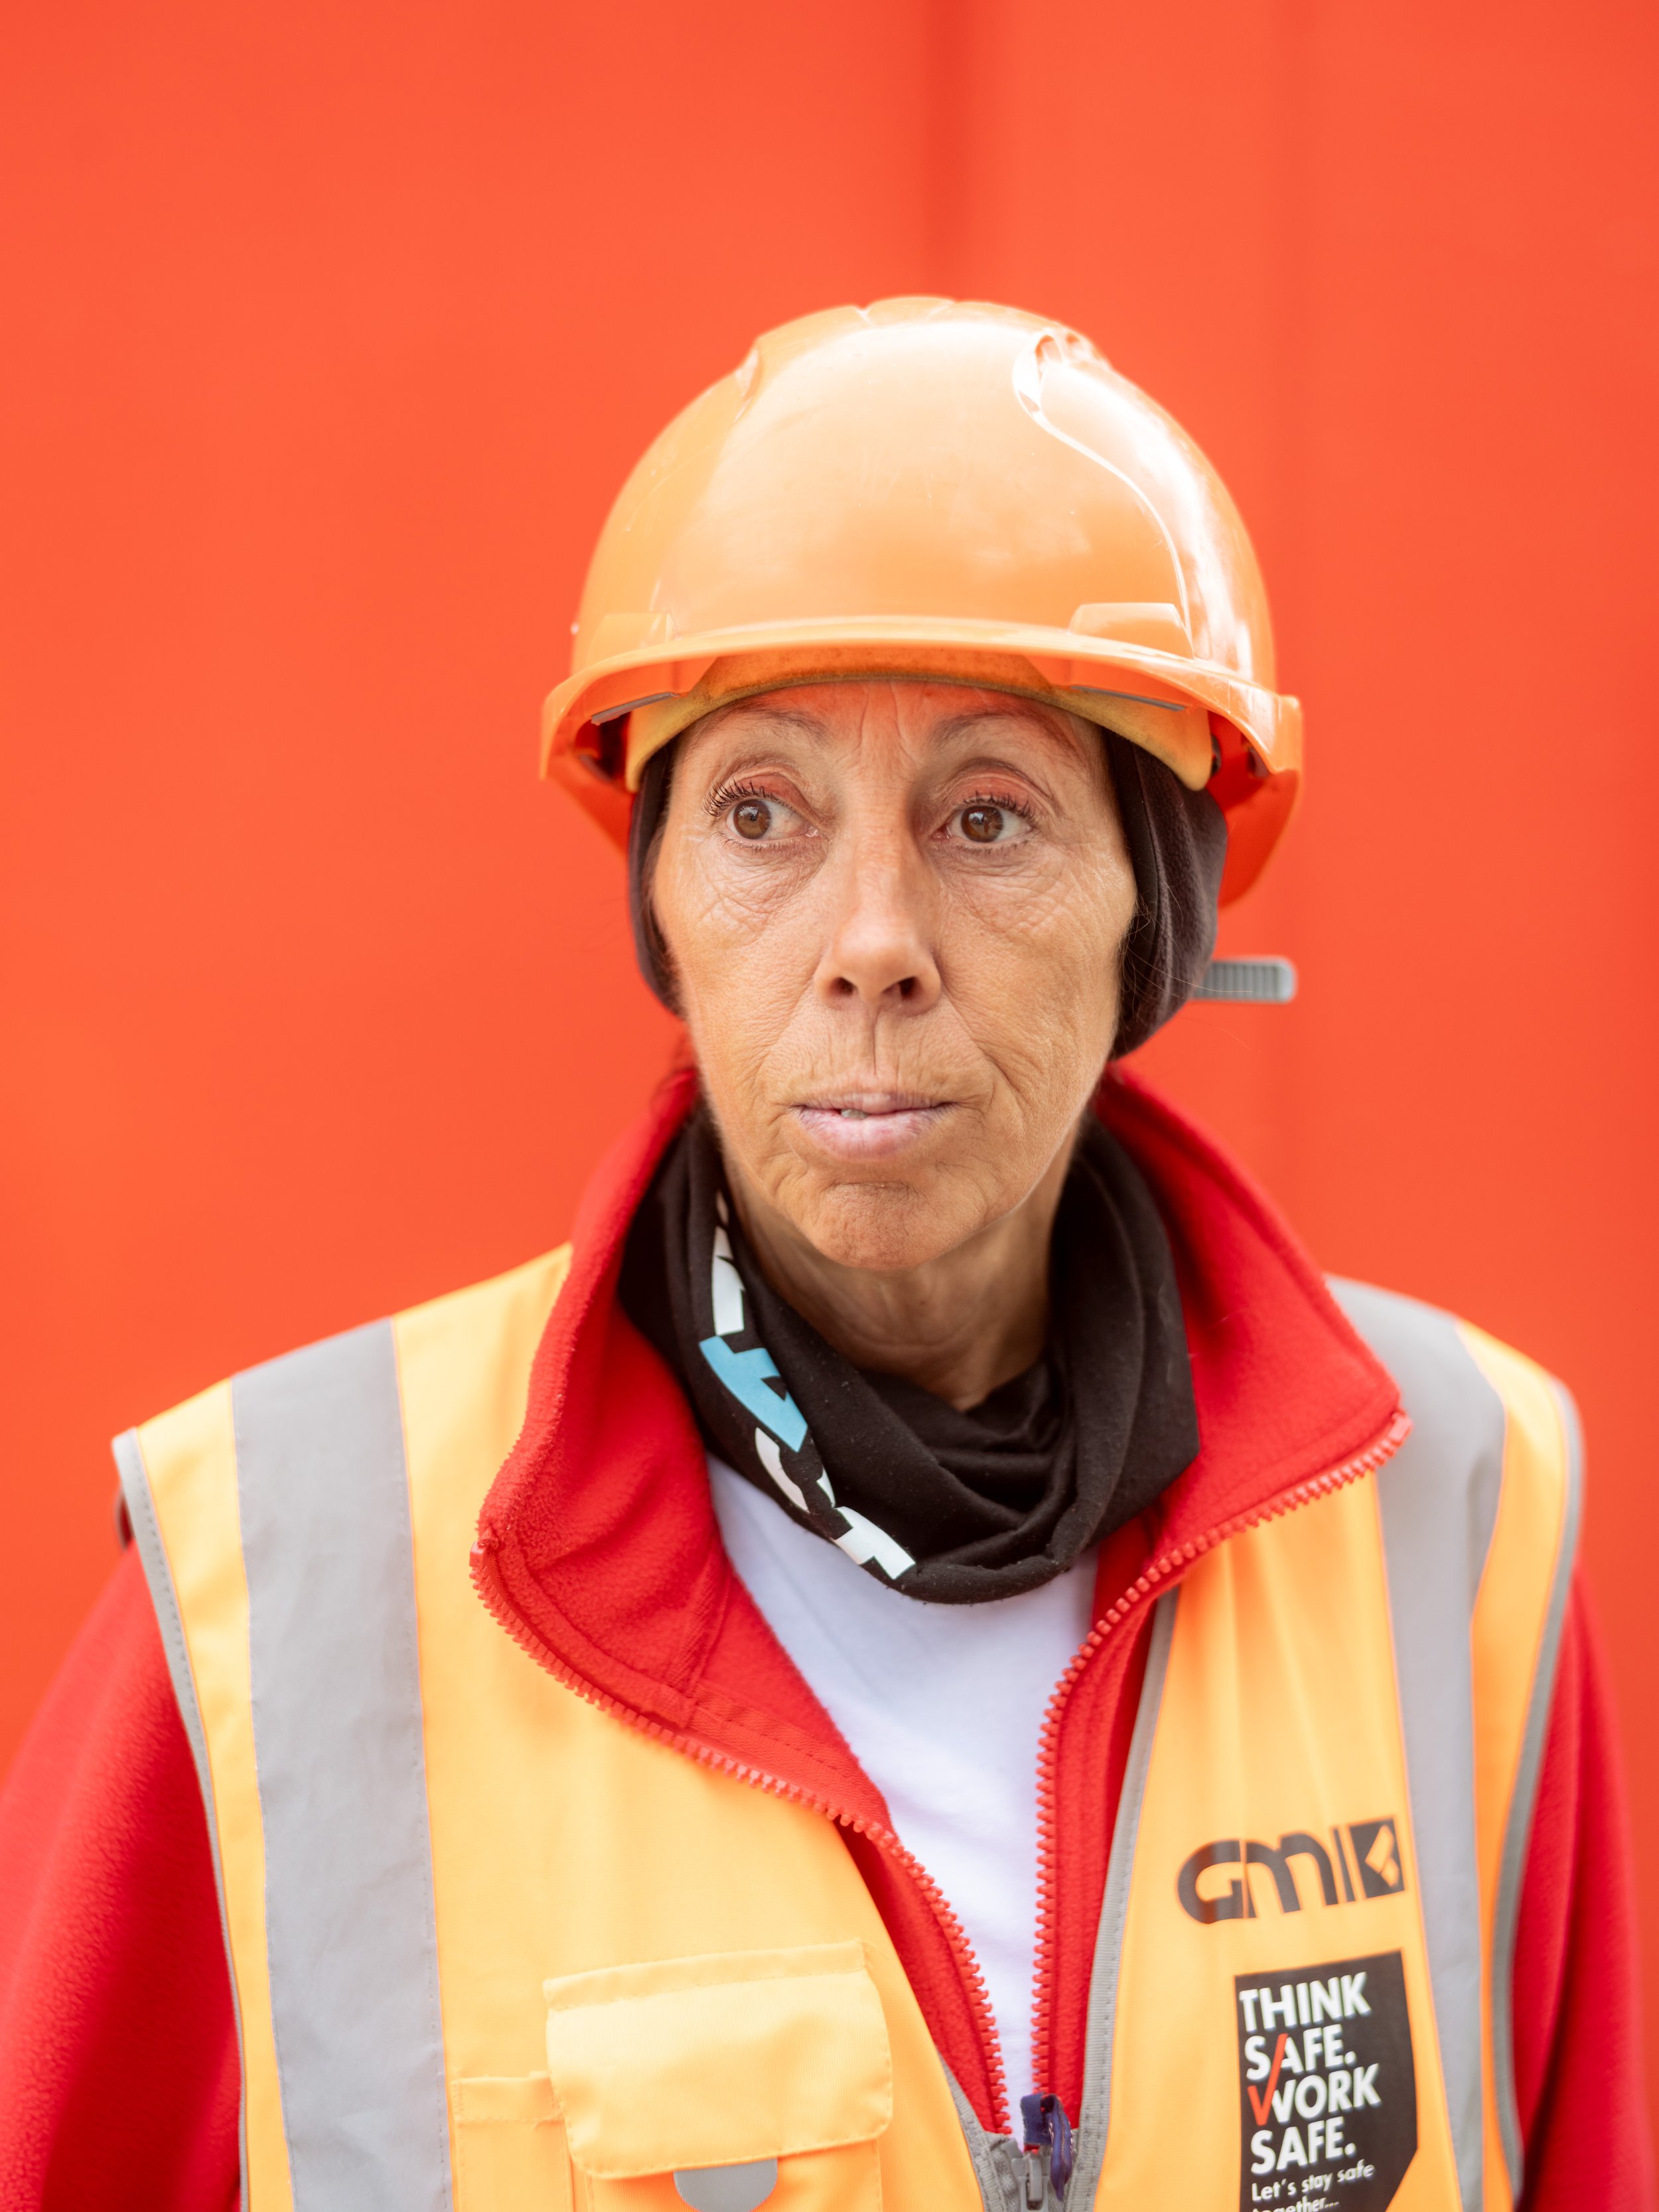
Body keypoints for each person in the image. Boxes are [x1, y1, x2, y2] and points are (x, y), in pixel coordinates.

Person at [0, 298, 1647, 2212]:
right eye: (763, 814)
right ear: (665, 916)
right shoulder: (270, 1587)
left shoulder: (1450, 1504)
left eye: (988, 815)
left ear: (1154, 921)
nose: (873, 936)